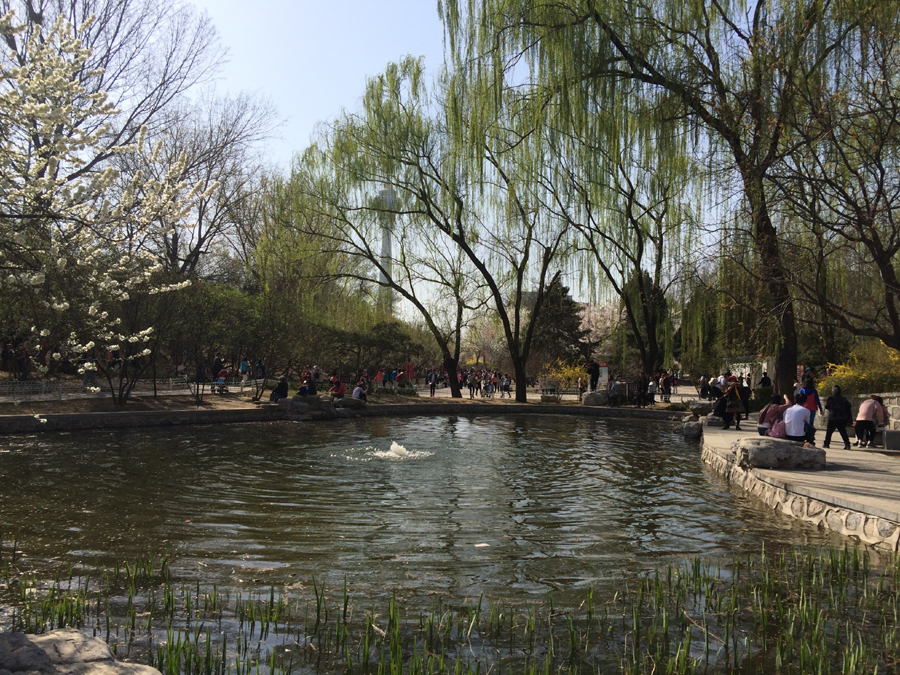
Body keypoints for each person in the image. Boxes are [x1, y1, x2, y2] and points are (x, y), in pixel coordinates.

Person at [823, 385, 852, 449]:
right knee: (843, 432)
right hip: (841, 418)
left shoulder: (830, 398)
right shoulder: (843, 399)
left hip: (832, 417)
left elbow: (826, 406)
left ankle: (826, 443)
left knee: (829, 432)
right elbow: (848, 406)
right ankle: (847, 444)